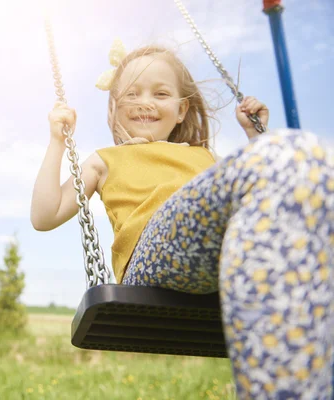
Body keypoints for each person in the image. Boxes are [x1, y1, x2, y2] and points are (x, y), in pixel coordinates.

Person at [30, 40, 333, 399]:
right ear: (113, 107)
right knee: (288, 154)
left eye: (160, 93)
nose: (145, 101)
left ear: (180, 109)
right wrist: (57, 141)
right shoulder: (105, 159)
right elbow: (44, 215)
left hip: (216, 260)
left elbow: (252, 207)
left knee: (308, 167)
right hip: (151, 255)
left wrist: (256, 138)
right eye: (132, 93)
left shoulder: (204, 157)